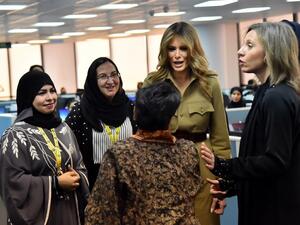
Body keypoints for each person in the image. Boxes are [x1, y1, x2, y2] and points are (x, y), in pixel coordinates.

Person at [200, 22, 300, 225]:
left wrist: (226, 166)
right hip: (267, 204)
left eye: (250, 45)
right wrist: (232, 186)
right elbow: (262, 159)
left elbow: (276, 161)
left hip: (276, 212)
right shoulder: (267, 92)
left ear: (270, 52)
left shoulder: (277, 97)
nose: (240, 51)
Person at [142, 21, 230, 225]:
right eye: (171, 49)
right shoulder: (152, 83)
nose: (177, 55)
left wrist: (222, 185)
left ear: (193, 50)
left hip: (203, 168)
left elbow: (221, 139)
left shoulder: (210, 83)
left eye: (183, 49)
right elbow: (143, 135)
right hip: (163, 167)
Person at [85, 81, 203, 224]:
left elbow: (100, 213)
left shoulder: (120, 154)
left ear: (136, 114)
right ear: (172, 117)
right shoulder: (188, 150)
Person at [0, 70, 89, 225]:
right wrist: (55, 183)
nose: (50, 98)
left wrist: (78, 176)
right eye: (42, 93)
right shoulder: (15, 135)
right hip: (39, 217)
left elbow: (80, 164)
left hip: (68, 212)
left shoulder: (64, 129)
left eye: (52, 91)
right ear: (28, 97)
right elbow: (12, 183)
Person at [65, 57, 137, 191]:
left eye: (114, 75)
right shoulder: (81, 112)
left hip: (129, 185)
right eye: (103, 76)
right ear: (94, 81)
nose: (110, 81)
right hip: (95, 188)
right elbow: (66, 148)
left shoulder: (130, 108)